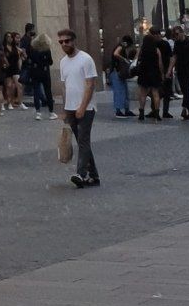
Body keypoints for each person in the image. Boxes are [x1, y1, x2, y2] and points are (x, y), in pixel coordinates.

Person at [57, 26, 100, 188]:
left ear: (73, 41)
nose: (64, 44)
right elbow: (64, 87)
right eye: (61, 42)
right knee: (82, 142)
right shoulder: (62, 62)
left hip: (86, 107)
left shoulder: (86, 59)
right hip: (70, 107)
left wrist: (83, 106)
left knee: (83, 140)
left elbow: (90, 85)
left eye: (67, 41)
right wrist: (64, 109)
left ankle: (81, 174)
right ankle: (94, 176)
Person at [135, 26, 171, 120]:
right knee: (155, 93)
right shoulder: (156, 50)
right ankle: (157, 113)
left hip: (143, 72)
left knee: (143, 93)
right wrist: (162, 73)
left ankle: (141, 112)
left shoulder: (142, 50)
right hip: (154, 73)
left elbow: (136, 59)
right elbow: (160, 64)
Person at [172, 23, 189, 123]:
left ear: (182, 33)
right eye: (174, 35)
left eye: (177, 34)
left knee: (186, 88)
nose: (176, 37)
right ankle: (186, 109)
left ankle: (188, 110)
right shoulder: (177, 43)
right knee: (185, 89)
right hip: (180, 68)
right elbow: (174, 56)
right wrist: (170, 69)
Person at [106, 33, 136, 120]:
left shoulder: (121, 47)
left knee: (124, 91)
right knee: (119, 91)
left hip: (118, 72)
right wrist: (124, 59)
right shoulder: (120, 47)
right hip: (116, 72)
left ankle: (126, 109)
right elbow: (116, 54)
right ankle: (119, 110)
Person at [25, 32, 55, 117]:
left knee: (36, 92)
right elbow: (50, 62)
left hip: (35, 72)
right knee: (48, 92)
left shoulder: (33, 49)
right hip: (45, 72)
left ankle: (38, 112)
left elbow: (29, 59)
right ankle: (51, 112)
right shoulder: (47, 50)